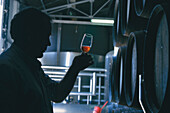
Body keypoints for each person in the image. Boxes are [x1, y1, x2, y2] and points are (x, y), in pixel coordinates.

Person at [0, 8, 93, 113]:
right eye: (45, 37)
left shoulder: (31, 66)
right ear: (30, 36)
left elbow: (56, 94)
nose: (48, 43)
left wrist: (75, 68)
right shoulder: (7, 68)